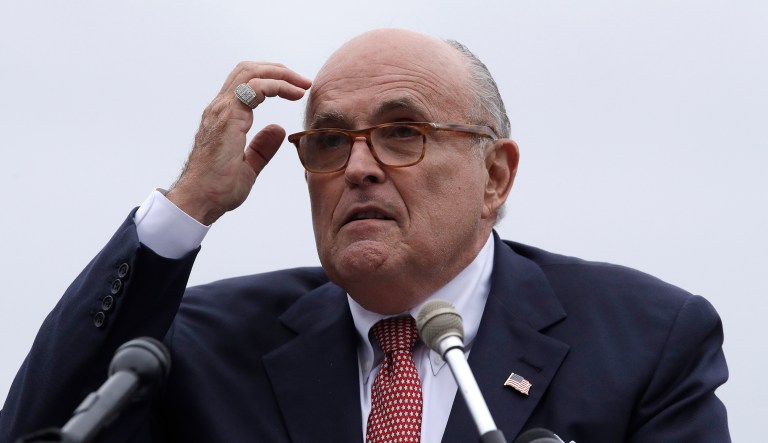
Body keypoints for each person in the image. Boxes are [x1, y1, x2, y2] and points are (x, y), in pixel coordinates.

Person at [0, 29, 729, 443]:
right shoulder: (196, 349)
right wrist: (188, 204)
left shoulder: (646, 341)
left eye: (402, 133)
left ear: (496, 177)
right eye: (328, 141)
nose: (357, 168)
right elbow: (39, 429)